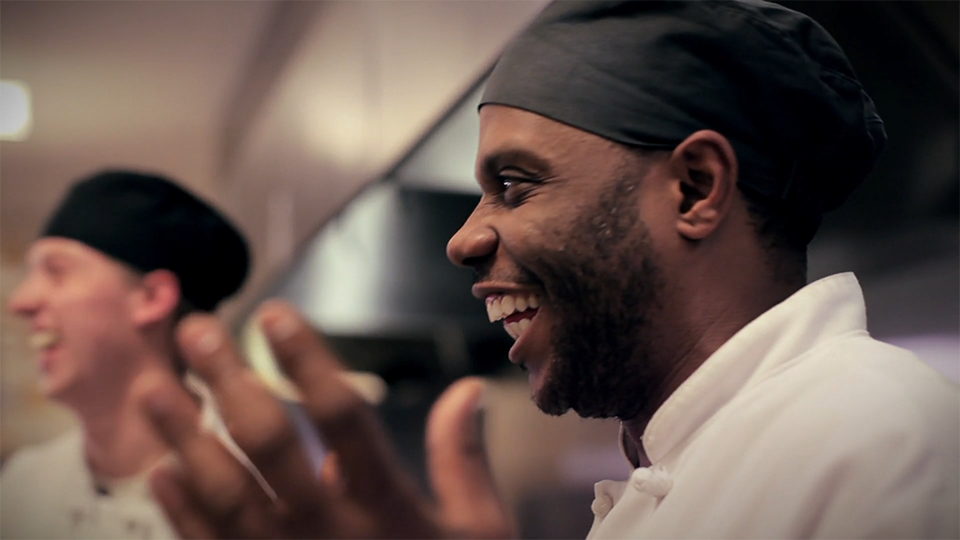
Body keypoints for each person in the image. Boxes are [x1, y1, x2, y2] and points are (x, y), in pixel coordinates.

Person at [136, 0, 960, 539]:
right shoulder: (687, 464)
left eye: (515, 184)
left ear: (696, 188)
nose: (462, 240)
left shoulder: (878, 440)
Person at [0, 170, 251, 539]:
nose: (19, 302)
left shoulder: (251, 488)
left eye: (56, 272)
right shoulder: (24, 485)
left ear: (151, 298)